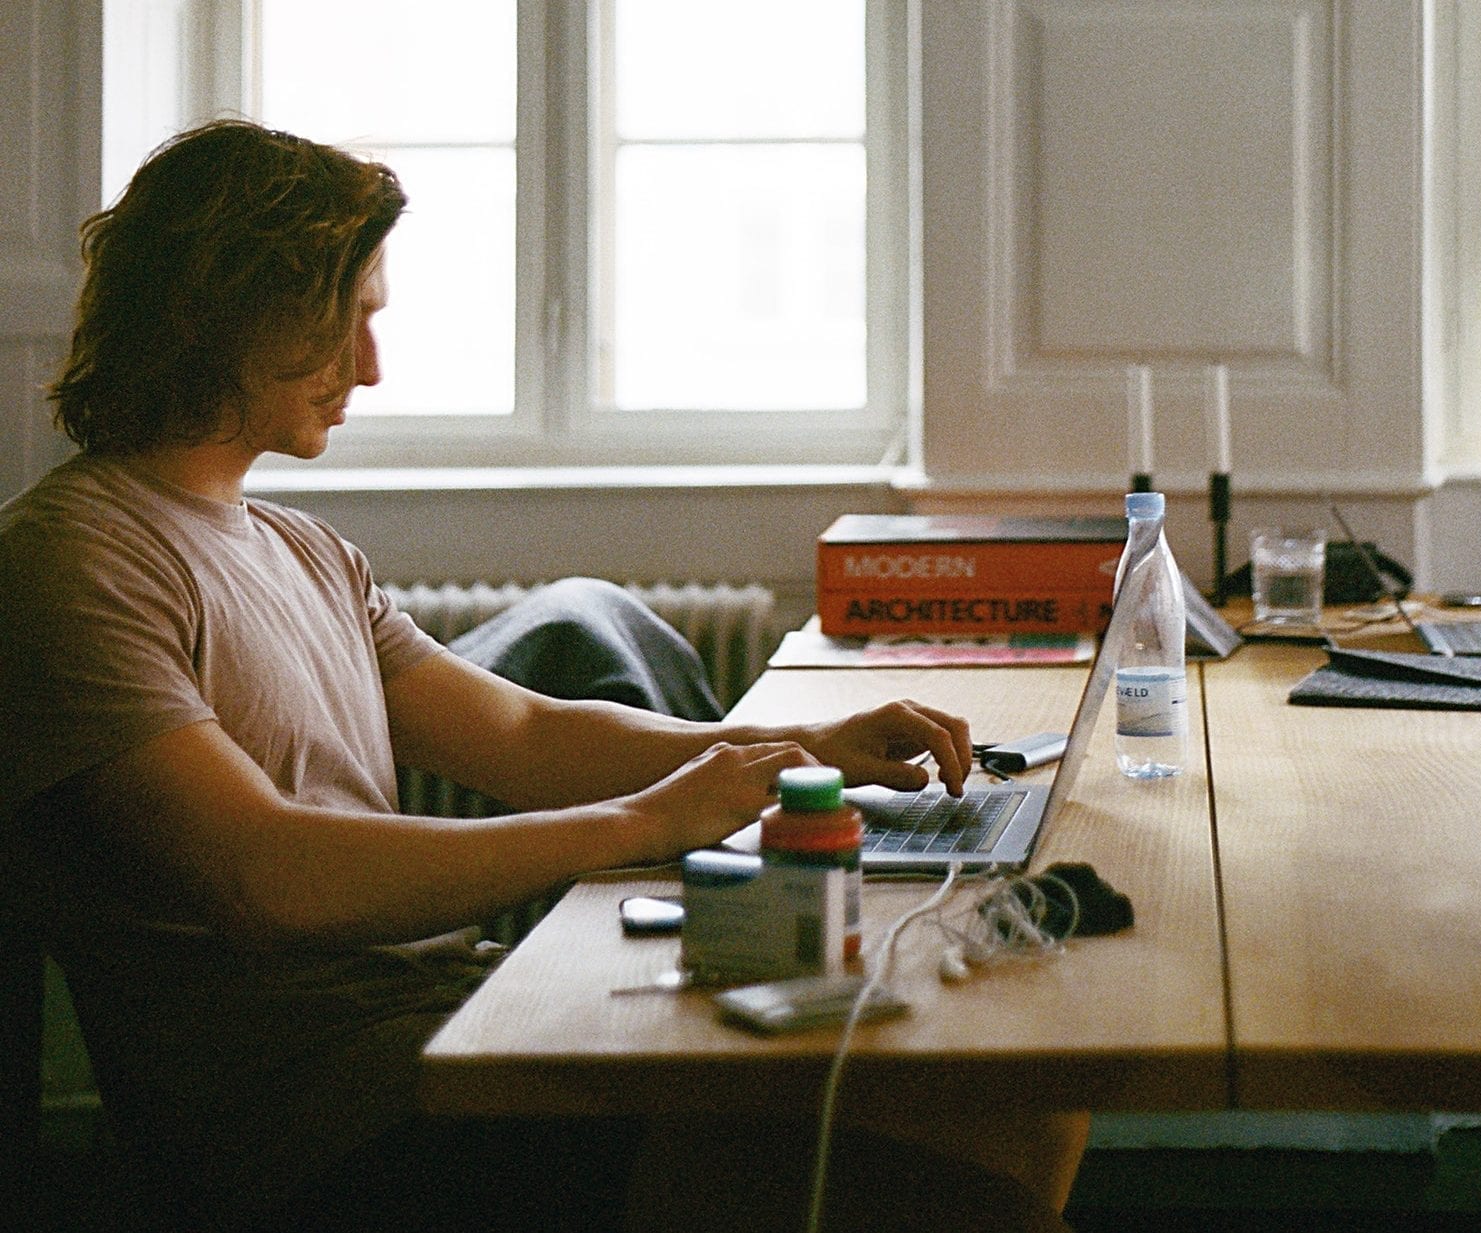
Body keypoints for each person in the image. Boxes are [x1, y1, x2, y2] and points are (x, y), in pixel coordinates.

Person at [0, 120, 1085, 1231]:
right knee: (966, 1193)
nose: (368, 368)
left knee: (1023, 1094)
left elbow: (518, 735)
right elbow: (267, 880)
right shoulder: (74, 560)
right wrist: (641, 821)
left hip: (449, 1022)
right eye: (344, 326)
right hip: (327, 1128)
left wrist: (799, 752)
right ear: (225, 312)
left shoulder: (304, 549)